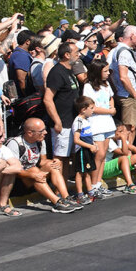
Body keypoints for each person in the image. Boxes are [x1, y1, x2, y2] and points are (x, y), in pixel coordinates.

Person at [6, 118, 80, 213]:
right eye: (41, 131)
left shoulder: (40, 141)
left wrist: (54, 162)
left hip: (34, 177)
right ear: (30, 133)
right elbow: (12, 170)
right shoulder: (15, 143)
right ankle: (57, 202)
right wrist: (32, 175)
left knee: (52, 165)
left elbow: (42, 161)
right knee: (34, 170)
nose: (45, 132)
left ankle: (65, 197)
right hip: (18, 180)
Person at [43, 42, 81, 178]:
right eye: (76, 51)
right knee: (60, 158)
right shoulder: (56, 72)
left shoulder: (70, 70)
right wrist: (57, 121)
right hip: (62, 123)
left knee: (69, 157)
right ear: (66, 55)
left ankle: (65, 190)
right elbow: (47, 99)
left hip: (73, 121)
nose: (79, 54)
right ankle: (60, 192)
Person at [82, 59, 117, 199]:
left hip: (108, 123)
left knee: (104, 156)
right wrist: (109, 111)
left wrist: (112, 107)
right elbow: (92, 107)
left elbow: (111, 98)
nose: (108, 73)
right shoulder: (88, 87)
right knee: (99, 154)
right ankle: (92, 184)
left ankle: (98, 183)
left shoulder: (106, 85)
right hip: (96, 124)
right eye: (105, 71)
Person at [109, 25, 136, 146]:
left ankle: (127, 155)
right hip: (129, 95)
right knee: (129, 128)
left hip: (127, 93)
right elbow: (123, 76)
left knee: (131, 126)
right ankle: (126, 157)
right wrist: (134, 94)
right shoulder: (124, 52)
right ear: (132, 36)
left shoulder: (117, 50)